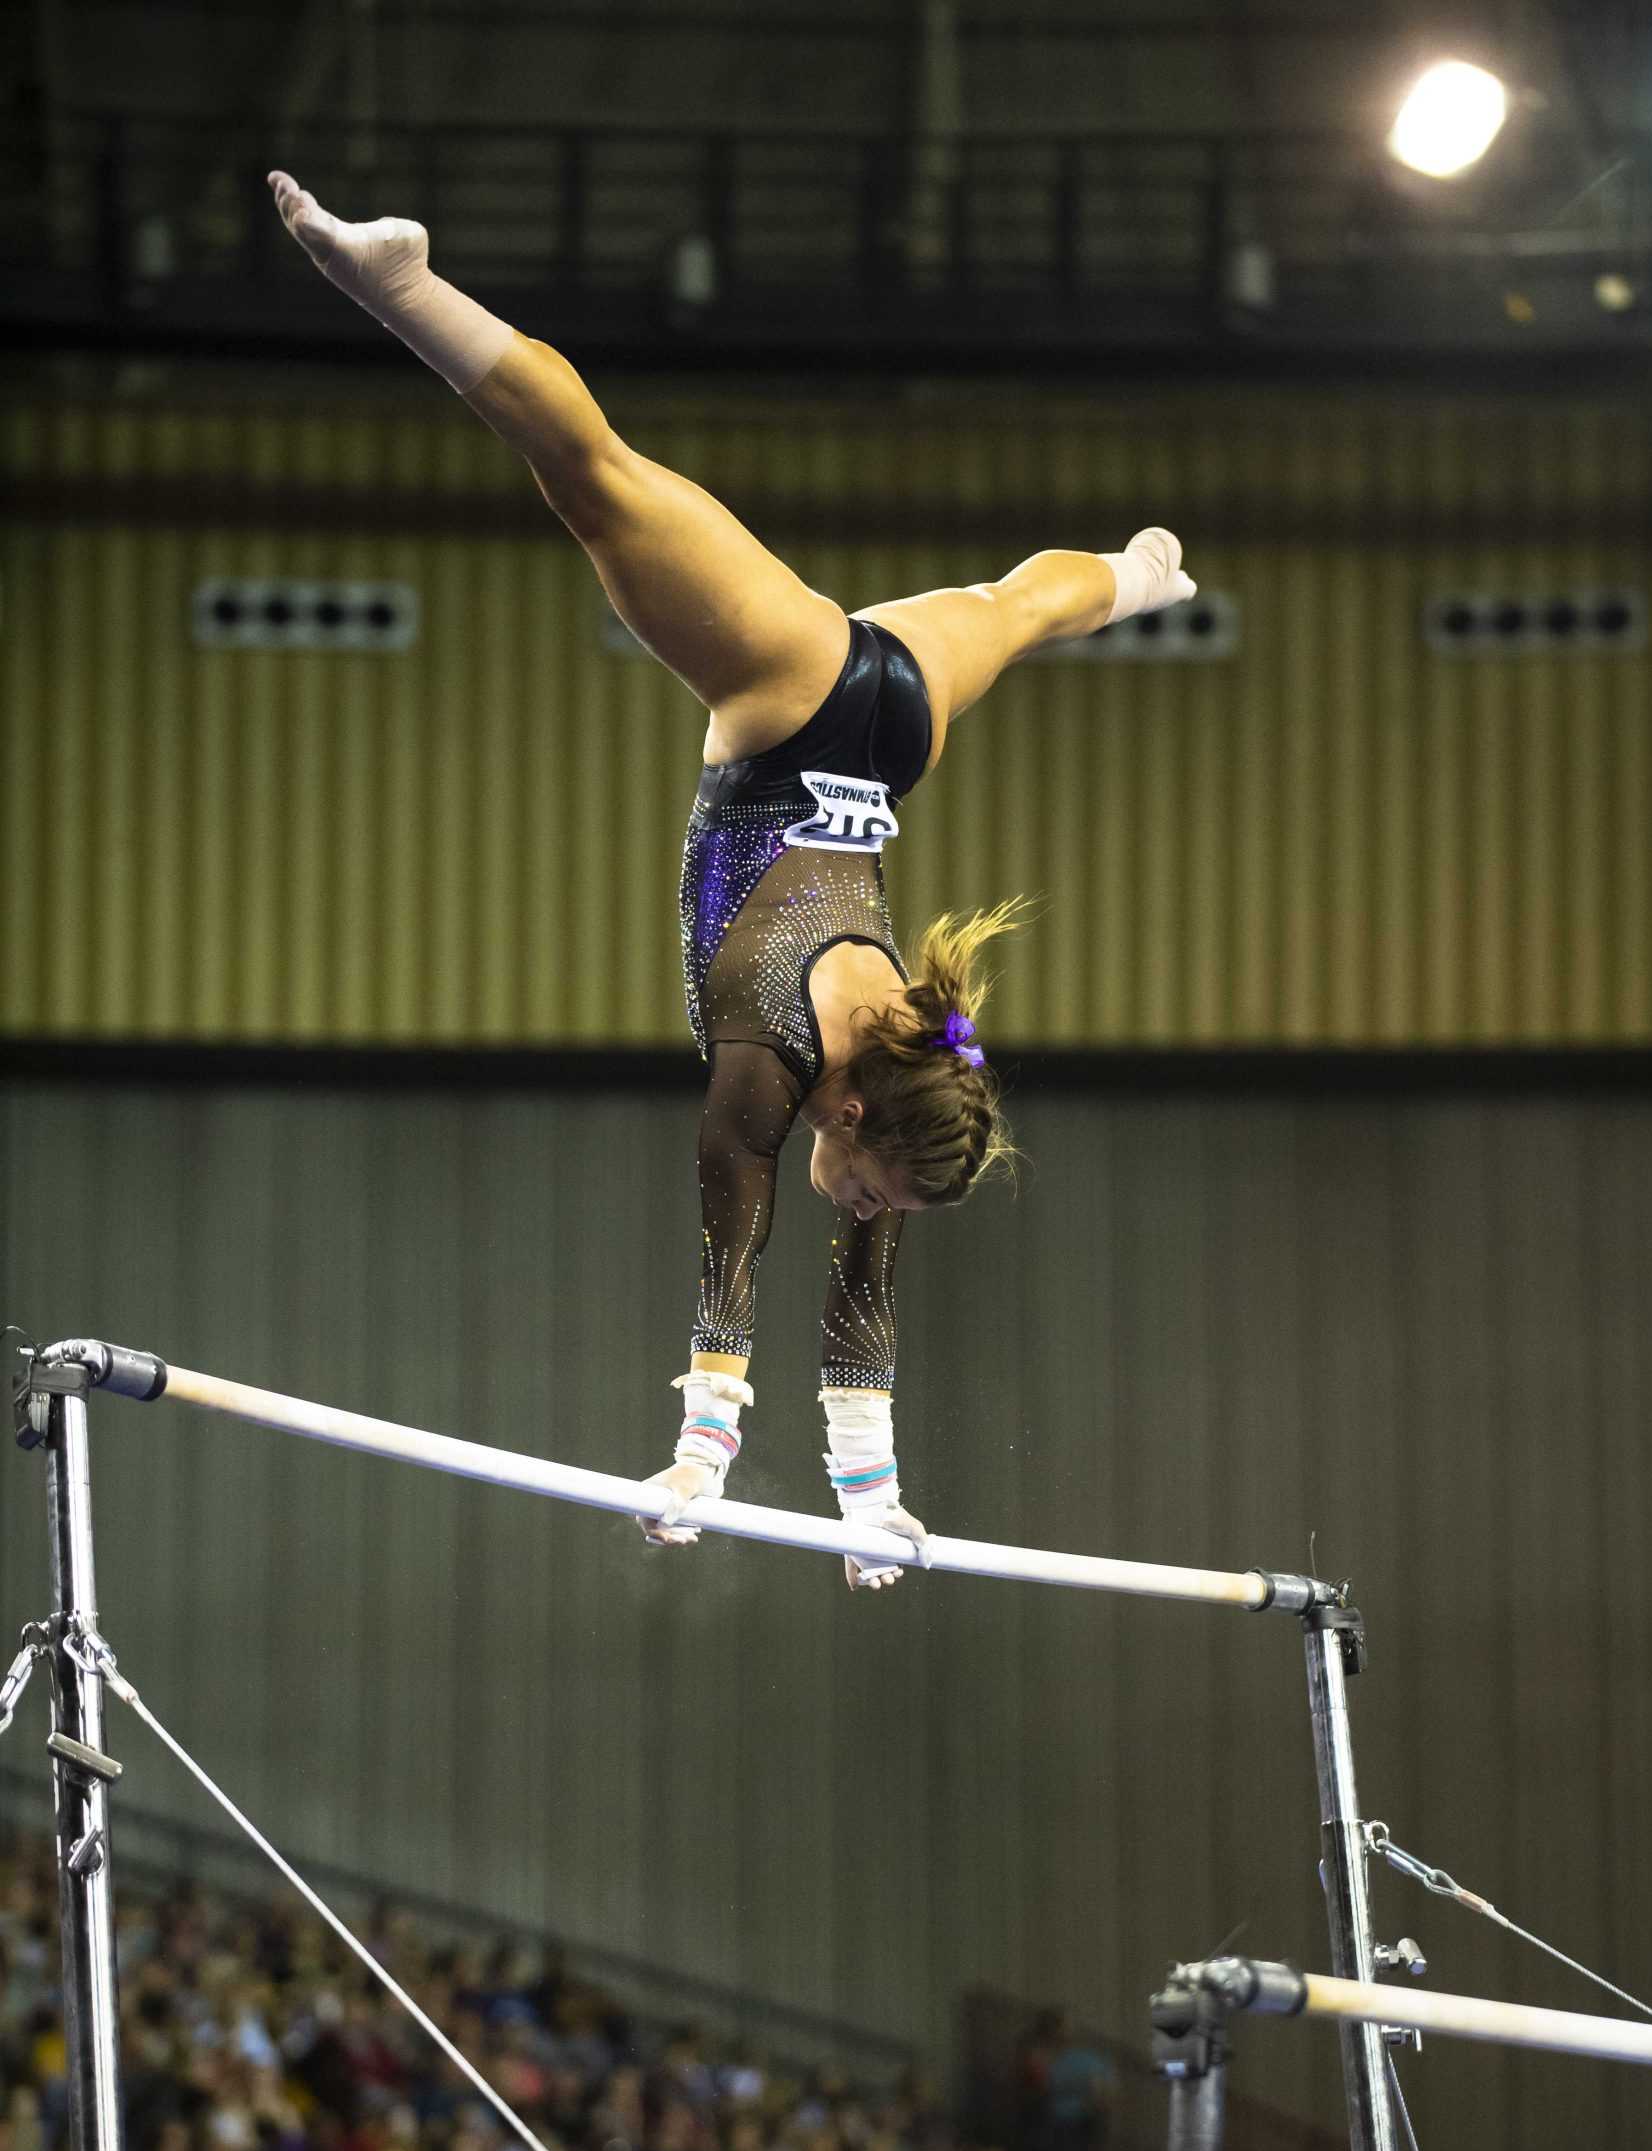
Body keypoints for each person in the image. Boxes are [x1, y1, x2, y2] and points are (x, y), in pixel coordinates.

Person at [269, 170, 1194, 1592]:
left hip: (893, 741)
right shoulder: (767, 1071)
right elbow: (731, 1270)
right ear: (843, 1106)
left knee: (1018, 609)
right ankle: (394, 278)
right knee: (595, 482)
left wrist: (868, 1503)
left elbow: (861, 1274)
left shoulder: (928, 1074)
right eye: (871, 1191)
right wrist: (698, 1464)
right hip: (799, 702)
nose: (865, 1214)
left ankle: (1137, 578)